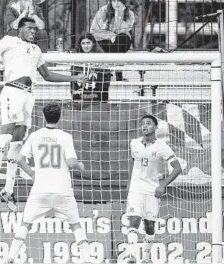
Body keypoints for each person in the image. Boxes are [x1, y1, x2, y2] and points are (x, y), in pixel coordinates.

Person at [0, 17, 87, 212]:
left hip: (28, 96)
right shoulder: (8, 41)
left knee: (17, 143)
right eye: (30, 28)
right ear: (19, 28)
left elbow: (47, 76)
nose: (34, 32)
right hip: (12, 91)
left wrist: (73, 77)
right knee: (6, 136)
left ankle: (8, 189)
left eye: (35, 29)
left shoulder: (37, 50)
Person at [5, 102, 90, 264]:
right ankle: (87, 260)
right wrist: (80, 165)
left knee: (25, 224)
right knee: (76, 225)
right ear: (60, 116)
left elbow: (19, 158)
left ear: (44, 116)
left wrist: (32, 174)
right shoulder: (65, 136)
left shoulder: (35, 136)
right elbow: (72, 163)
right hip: (62, 189)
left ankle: (9, 258)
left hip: (40, 189)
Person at [126, 115, 182, 263]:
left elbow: (177, 168)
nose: (144, 126)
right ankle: (131, 256)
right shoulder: (134, 143)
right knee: (134, 219)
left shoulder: (162, 147)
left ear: (155, 127)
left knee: (149, 224)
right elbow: (133, 160)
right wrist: (129, 182)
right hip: (136, 188)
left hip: (152, 190)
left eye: (148, 123)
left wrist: (163, 185)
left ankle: (145, 259)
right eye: (142, 123)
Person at [90, 0, 135, 80]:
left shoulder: (129, 14)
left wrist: (118, 14)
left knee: (122, 38)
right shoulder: (103, 10)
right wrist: (110, 36)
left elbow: (121, 31)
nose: (117, 3)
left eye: (119, 1)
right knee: (117, 43)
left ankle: (110, 72)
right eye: (114, 1)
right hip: (104, 41)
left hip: (120, 42)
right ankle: (118, 74)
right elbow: (93, 31)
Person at [71, 32, 111, 101]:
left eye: (88, 43)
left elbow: (106, 80)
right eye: (83, 43)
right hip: (80, 96)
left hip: (98, 96)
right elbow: (73, 81)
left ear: (93, 43)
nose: (85, 46)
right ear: (80, 45)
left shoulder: (101, 57)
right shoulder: (76, 57)